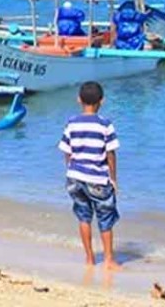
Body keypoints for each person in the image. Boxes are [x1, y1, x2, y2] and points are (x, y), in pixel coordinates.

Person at [58, 81, 121, 270]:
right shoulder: (105, 124)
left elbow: (66, 150)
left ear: (79, 100)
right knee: (105, 218)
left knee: (84, 217)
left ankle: (89, 258)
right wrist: (113, 178)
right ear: (102, 101)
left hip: (75, 177)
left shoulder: (72, 123)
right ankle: (108, 260)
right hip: (98, 179)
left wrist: (70, 169)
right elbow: (111, 153)